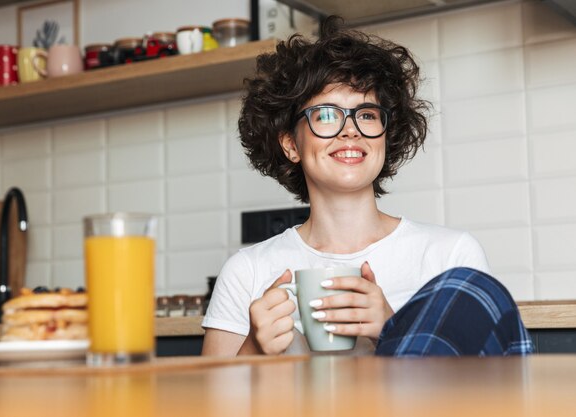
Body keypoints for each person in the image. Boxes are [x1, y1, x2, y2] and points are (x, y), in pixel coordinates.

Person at [201, 17, 533, 357]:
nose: (351, 131)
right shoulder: (248, 271)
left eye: (367, 114)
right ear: (290, 144)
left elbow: (481, 397)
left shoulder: (451, 259)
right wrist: (255, 347)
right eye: (327, 115)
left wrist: (392, 329)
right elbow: (208, 407)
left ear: (386, 137)